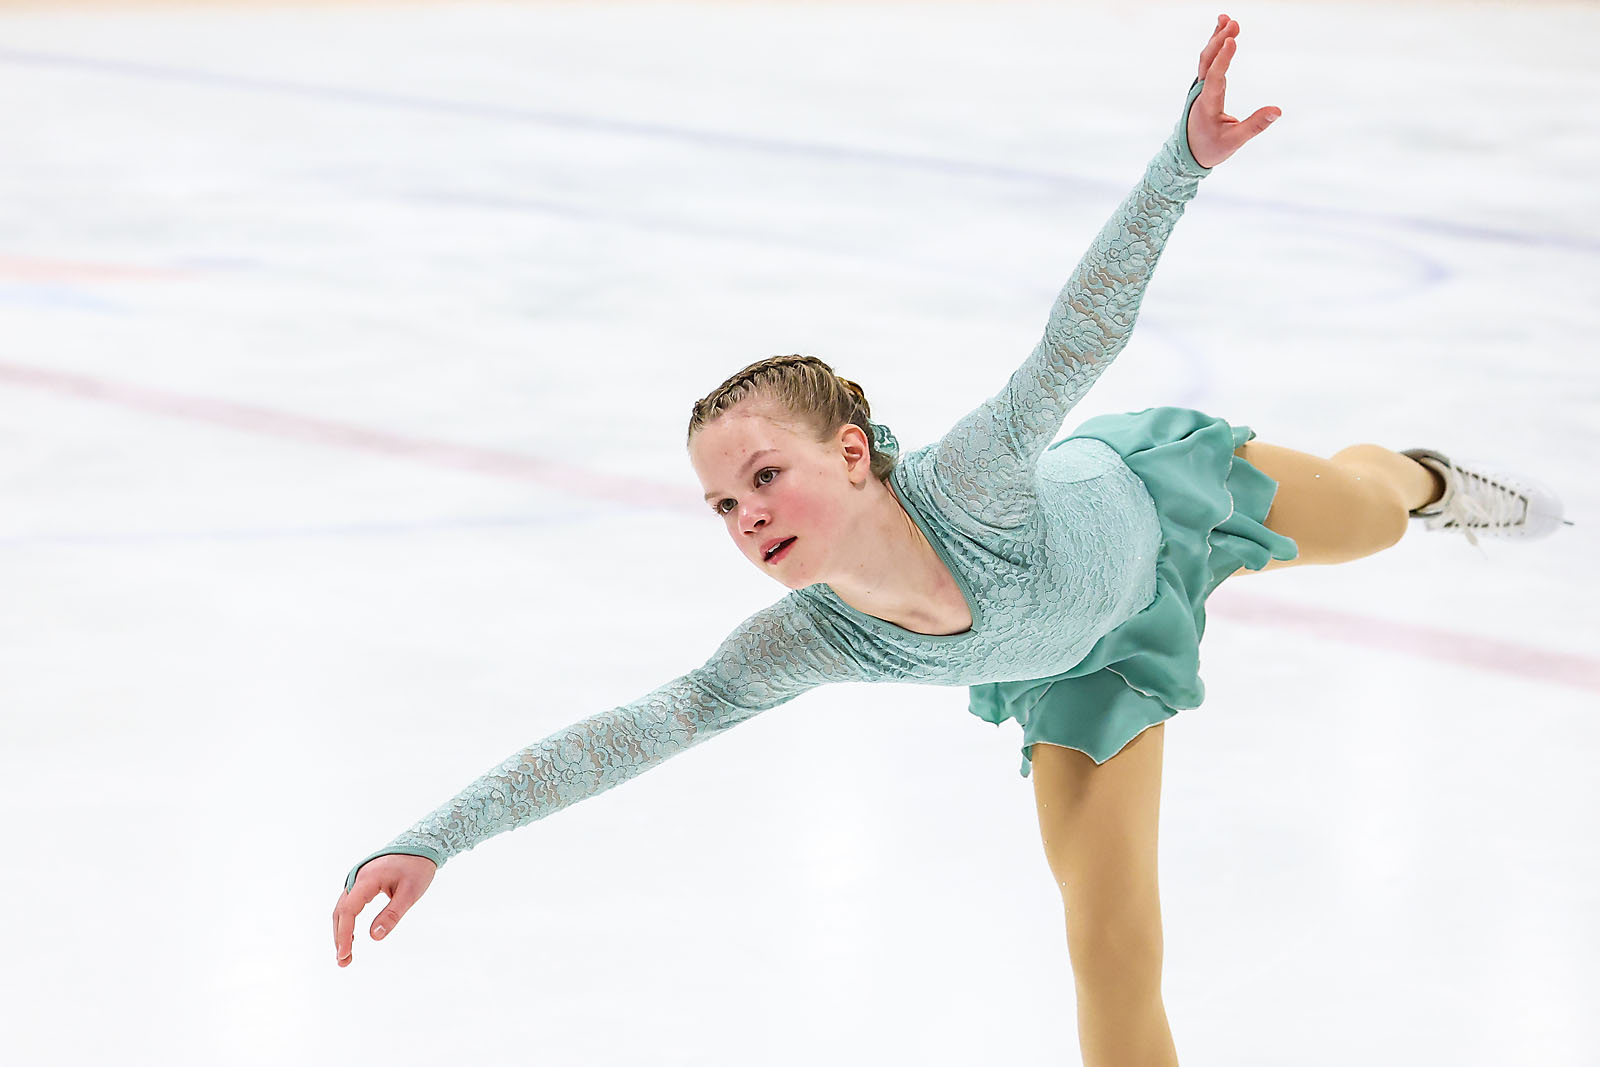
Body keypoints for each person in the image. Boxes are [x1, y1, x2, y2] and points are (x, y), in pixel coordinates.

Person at [331, 15, 1568, 1065]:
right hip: (1087, 671)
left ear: (855, 453)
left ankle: (1427, 477)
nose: (744, 513)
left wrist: (1177, 167)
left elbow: (1075, 341)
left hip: (1163, 500)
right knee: (1111, 942)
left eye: (763, 475)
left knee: (1365, 516)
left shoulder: (969, 482)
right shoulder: (806, 637)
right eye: (722, 503)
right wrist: (431, 832)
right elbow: (643, 726)